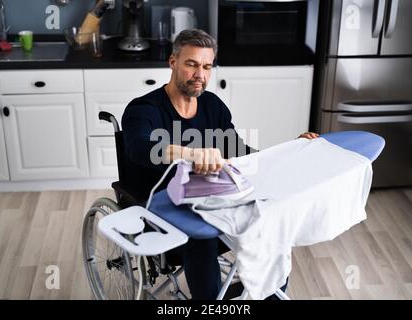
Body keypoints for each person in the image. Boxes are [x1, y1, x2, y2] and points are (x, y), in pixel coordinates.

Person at [122, 29, 318, 299]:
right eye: (191, 64)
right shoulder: (144, 109)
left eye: (206, 66)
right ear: (173, 62)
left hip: (214, 199)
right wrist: (188, 154)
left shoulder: (213, 106)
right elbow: (138, 147)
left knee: (268, 221)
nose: (200, 74)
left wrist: (290, 149)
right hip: (163, 207)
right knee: (202, 238)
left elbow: (241, 153)